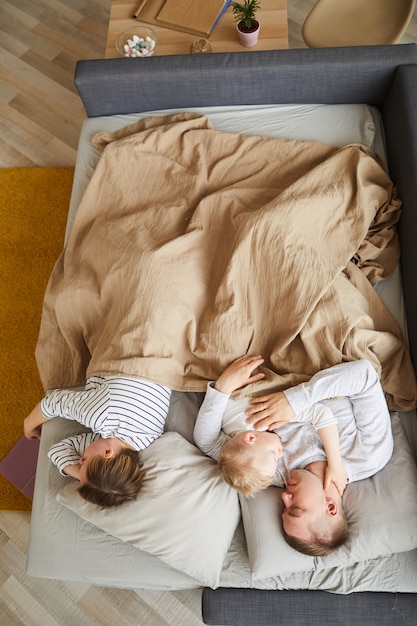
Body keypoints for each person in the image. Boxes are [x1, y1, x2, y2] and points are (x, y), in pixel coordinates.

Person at [193, 355, 393, 555]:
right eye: (295, 508)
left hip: (249, 368)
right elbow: (364, 375)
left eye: (284, 508)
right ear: (330, 506)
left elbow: (208, 443)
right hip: (311, 356)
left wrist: (221, 389)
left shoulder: (270, 470)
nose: (285, 497)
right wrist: (293, 401)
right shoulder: (369, 455)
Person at [23, 375, 172, 507]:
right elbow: (54, 402)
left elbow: (59, 450)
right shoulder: (100, 417)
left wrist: (85, 477)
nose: (80, 459)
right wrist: (29, 425)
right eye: (84, 461)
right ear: (107, 453)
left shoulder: (146, 438)